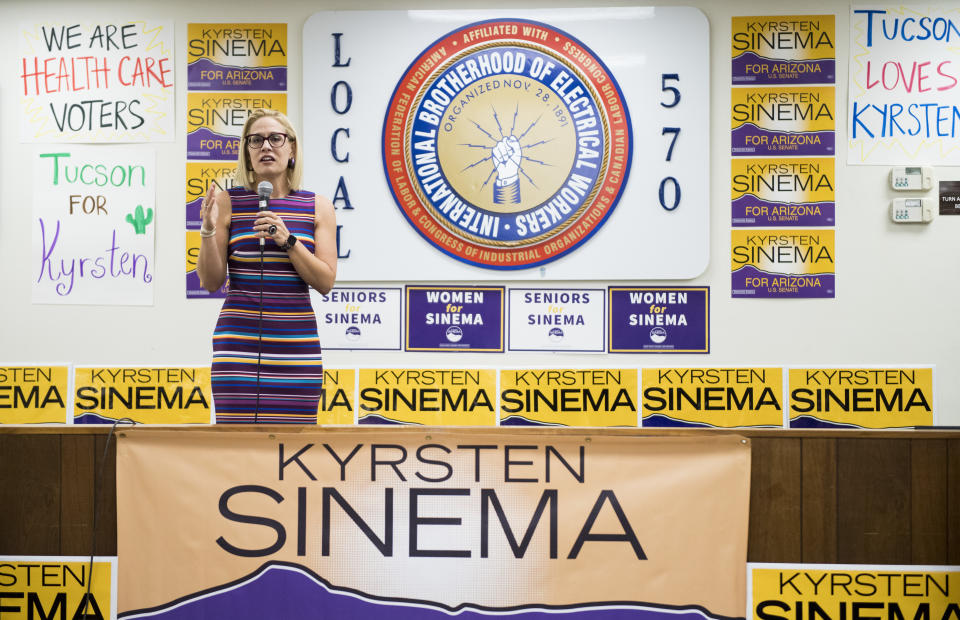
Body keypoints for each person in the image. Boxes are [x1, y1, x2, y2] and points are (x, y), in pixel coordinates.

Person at [196, 109, 337, 423]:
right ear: (247, 154)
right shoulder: (227, 202)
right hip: (239, 347)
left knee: (292, 452)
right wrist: (206, 230)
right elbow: (210, 281)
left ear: (292, 150)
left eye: (275, 138)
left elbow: (325, 282)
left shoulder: (317, 206)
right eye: (256, 140)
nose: (266, 147)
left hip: (296, 346)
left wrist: (287, 240)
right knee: (237, 450)